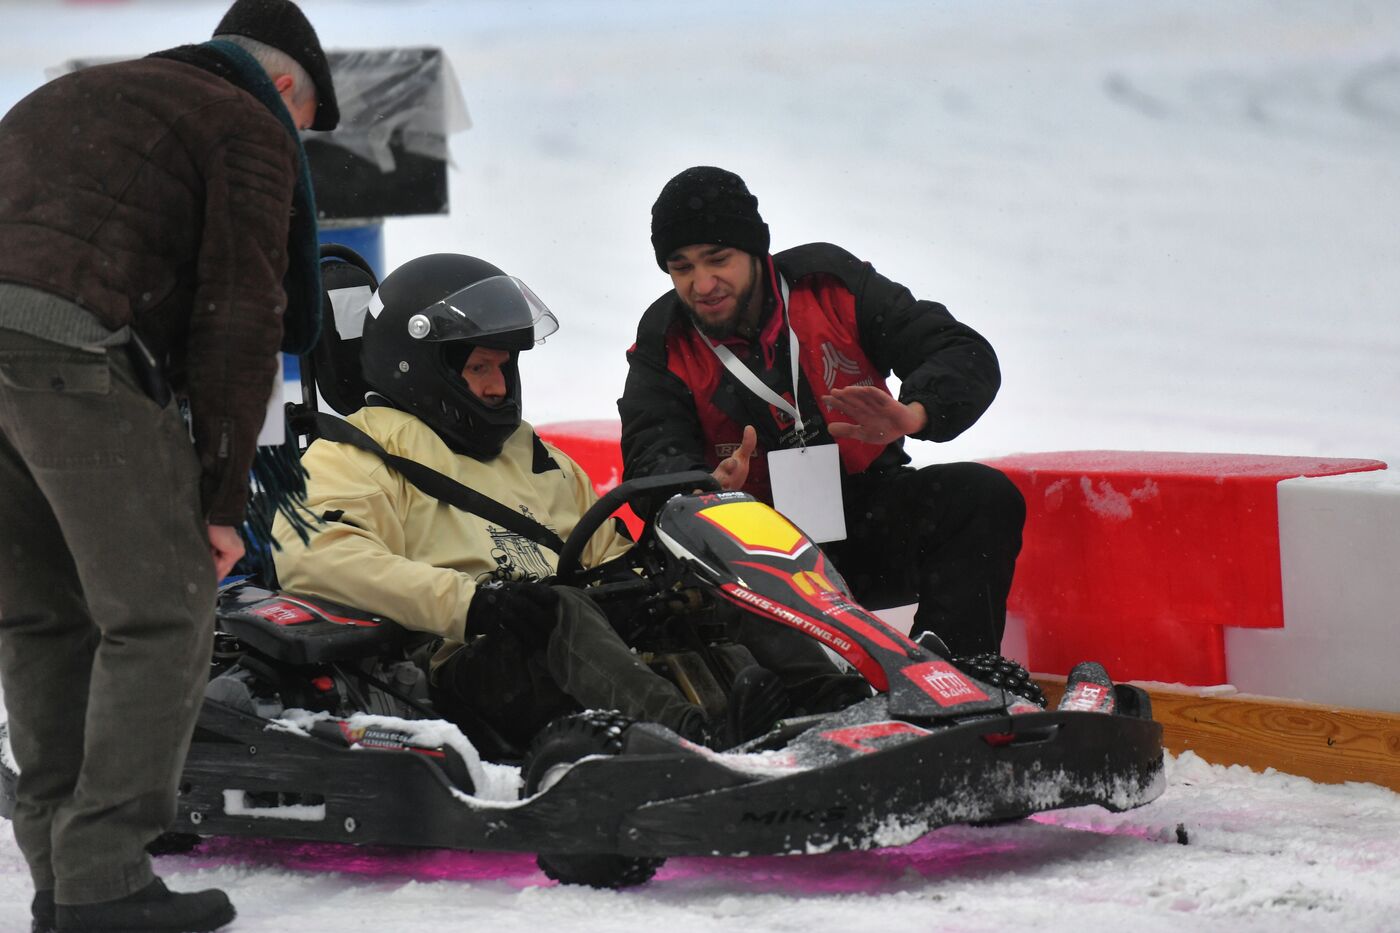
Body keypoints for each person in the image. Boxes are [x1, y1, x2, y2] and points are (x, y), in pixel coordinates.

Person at [0, 1, 338, 930]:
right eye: (303, 128)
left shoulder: (68, 96)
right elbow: (239, 319)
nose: (296, 150)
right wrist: (223, 503)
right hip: (75, 357)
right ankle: (104, 876)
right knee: (161, 609)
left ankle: (62, 881)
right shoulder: (245, 127)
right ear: (280, 89)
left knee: (41, 619)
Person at [270, 253, 858, 760]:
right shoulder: (353, 454)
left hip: (571, 647)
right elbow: (319, 560)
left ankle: (834, 699)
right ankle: (691, 739)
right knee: (559, 609)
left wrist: (666, 578)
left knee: (702, 581)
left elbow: (610, 555)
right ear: (419, 369)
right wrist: (473, 603)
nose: (499, 387)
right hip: (462, 661)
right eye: (479, 368)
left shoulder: (535, 457)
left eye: (504, 367)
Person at [619, 166, 1026, 661]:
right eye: (681, 268)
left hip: (865, 518)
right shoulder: (663, 339)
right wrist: (704, 486)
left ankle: (956, 669)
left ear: (755, 250)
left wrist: (913, 415)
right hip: (753, 545)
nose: (703, 283)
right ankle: (799, 694)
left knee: (981, 496)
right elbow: (649, 455)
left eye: (718, 259)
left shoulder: (832, 284)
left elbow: (963, 352)